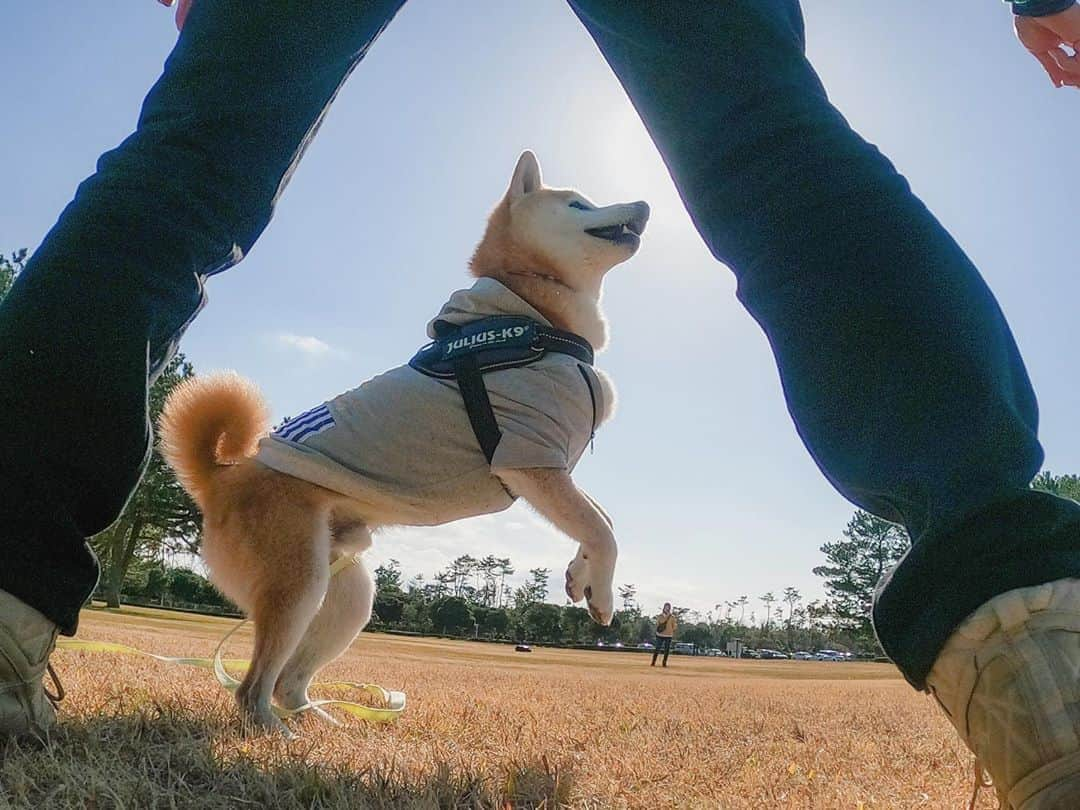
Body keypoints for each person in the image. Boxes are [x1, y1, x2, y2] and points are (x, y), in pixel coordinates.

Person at [2, 0, 1079, 802]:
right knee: (767, 141)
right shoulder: (519, 341)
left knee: (191, 158)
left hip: (335, 478)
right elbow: (530, 466)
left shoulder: (531, 348)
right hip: (294, 490)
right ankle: (1031, 630)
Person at [651, 603, 676, 668]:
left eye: (668, 607)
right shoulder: (660, 616)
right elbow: (657, 624)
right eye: (666, 607)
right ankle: (653, 662)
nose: (667, 608)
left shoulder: (672, 617)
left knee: (667, 650)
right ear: (664, 608)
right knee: (657, 648)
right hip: (660, 634)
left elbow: (674, 626)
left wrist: (671, 630)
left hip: (668, 635)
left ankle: (664, 663)